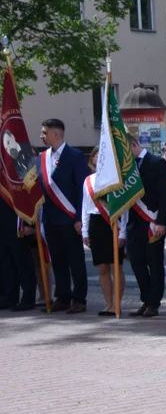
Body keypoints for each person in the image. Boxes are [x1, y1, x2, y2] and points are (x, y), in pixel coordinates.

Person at [37, 119, 90, 313]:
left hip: (69, 218)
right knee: (57, 259)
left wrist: (79, 218)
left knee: (75, 260)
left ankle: (79, 299)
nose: (41, 136)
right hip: (50, 218)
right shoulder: (41, 158)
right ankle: (63, 297)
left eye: (44, 133)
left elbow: (81, 189)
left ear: (56, 134)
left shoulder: (75, 156)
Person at [126, 134, 166, 318]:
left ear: (134, 145)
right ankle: (146, 299)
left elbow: (164, 194)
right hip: (133, 223)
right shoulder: (126, 168)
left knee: (154, 263)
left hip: (152, 222)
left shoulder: (157, 163)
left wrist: (161, 221)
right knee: (137, 263)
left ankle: (154, 303)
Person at [81, 147, 127, 316]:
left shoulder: (116, 179)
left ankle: (118, 304)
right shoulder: (88, 181)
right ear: (92, 159)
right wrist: (85, 231)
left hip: (114, 224)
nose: (98, 160)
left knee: (116, 266)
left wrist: (123, 232)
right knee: (102, 268)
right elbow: (85, 207)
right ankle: (108, 304)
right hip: (95, 224)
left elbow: (125, 208)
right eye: (96, 157)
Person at [0, 196, 36, 311]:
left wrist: (29, 223)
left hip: (18, 224)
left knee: (23, 262)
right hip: (3, 222)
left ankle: (28, 299)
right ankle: (9, 297)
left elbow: (28, 197)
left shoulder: (19, 177)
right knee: (6, 262)